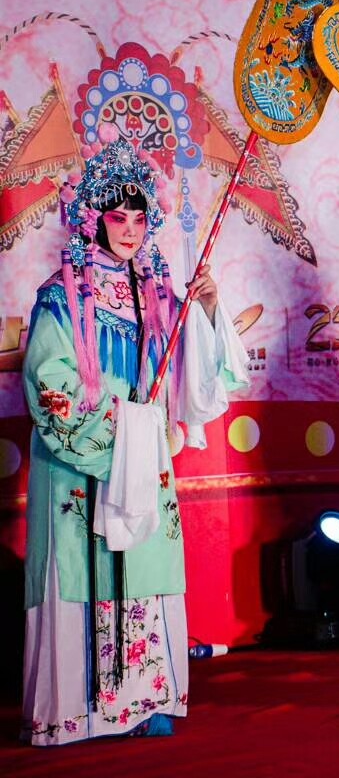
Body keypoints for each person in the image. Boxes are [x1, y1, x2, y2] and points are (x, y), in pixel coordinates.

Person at [22, 134, 249, 744]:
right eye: (117, 216)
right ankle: (81, 712)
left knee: (144, 563)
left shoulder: (157, 294)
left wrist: (204, 309)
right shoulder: (61, 295)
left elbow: (192, 374)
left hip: (143, 457)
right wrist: (120, 428)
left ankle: (142, 700)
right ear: (94, 218)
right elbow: (49, 381)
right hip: (80, 464)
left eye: (138, 218)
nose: (128, 229)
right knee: (84, 566)